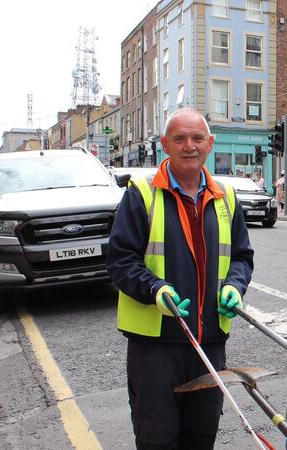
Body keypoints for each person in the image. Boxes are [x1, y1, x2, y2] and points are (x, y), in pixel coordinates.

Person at [106, 108, 254, 450]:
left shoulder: (226, 197)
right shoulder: (140, 194)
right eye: (180, 139)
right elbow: (120, 260)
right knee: (157, 436)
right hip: (155, 346)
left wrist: (234, 285)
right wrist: (154, 289)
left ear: (210, 144)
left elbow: (242, 257)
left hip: (210, 341)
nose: (190, 146)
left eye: (197, 138)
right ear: (165, 145)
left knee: (202, 434)